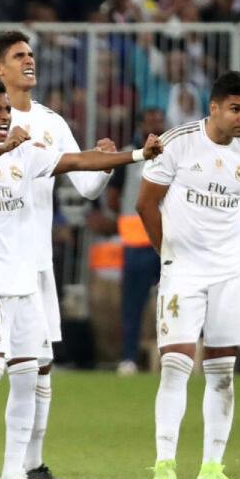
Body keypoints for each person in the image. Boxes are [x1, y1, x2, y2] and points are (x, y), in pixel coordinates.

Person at [0, 81, 162, 479]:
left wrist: (135, 154)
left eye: (6, 109)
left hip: (24, 280)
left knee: (28, 374)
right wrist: (5, 149)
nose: (4, 116)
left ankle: (12, 476)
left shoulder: (26, 153)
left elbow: (76, 162)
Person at [0, 30, 114, 479]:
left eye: (31, 55)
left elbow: (85, 187)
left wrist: (101, 164)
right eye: (18, 56)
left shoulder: (51, 121)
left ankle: (30, 464)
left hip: (36, 263)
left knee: (39, 364)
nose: (29, 62)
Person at [138, 71, 240, 479]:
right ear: (214, 108)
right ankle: (164, 466)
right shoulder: (178, 143)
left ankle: (212, 467)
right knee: (175, 365)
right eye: (236, 108)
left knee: (222, 369)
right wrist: (168, 253)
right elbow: (145, 204)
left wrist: (224, 250)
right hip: (184, 270)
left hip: (229, 270)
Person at [107, 108, 166, 375]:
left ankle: (175, 355)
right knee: (133, 304)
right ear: (140, 124)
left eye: (159, 121)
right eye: (150, 121)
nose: (155, 126)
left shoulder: (171, 155)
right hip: (136, 242)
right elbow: (113, 197)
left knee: (175, 300)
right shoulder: (130, 155)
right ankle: (129, 357)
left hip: (166, 241)